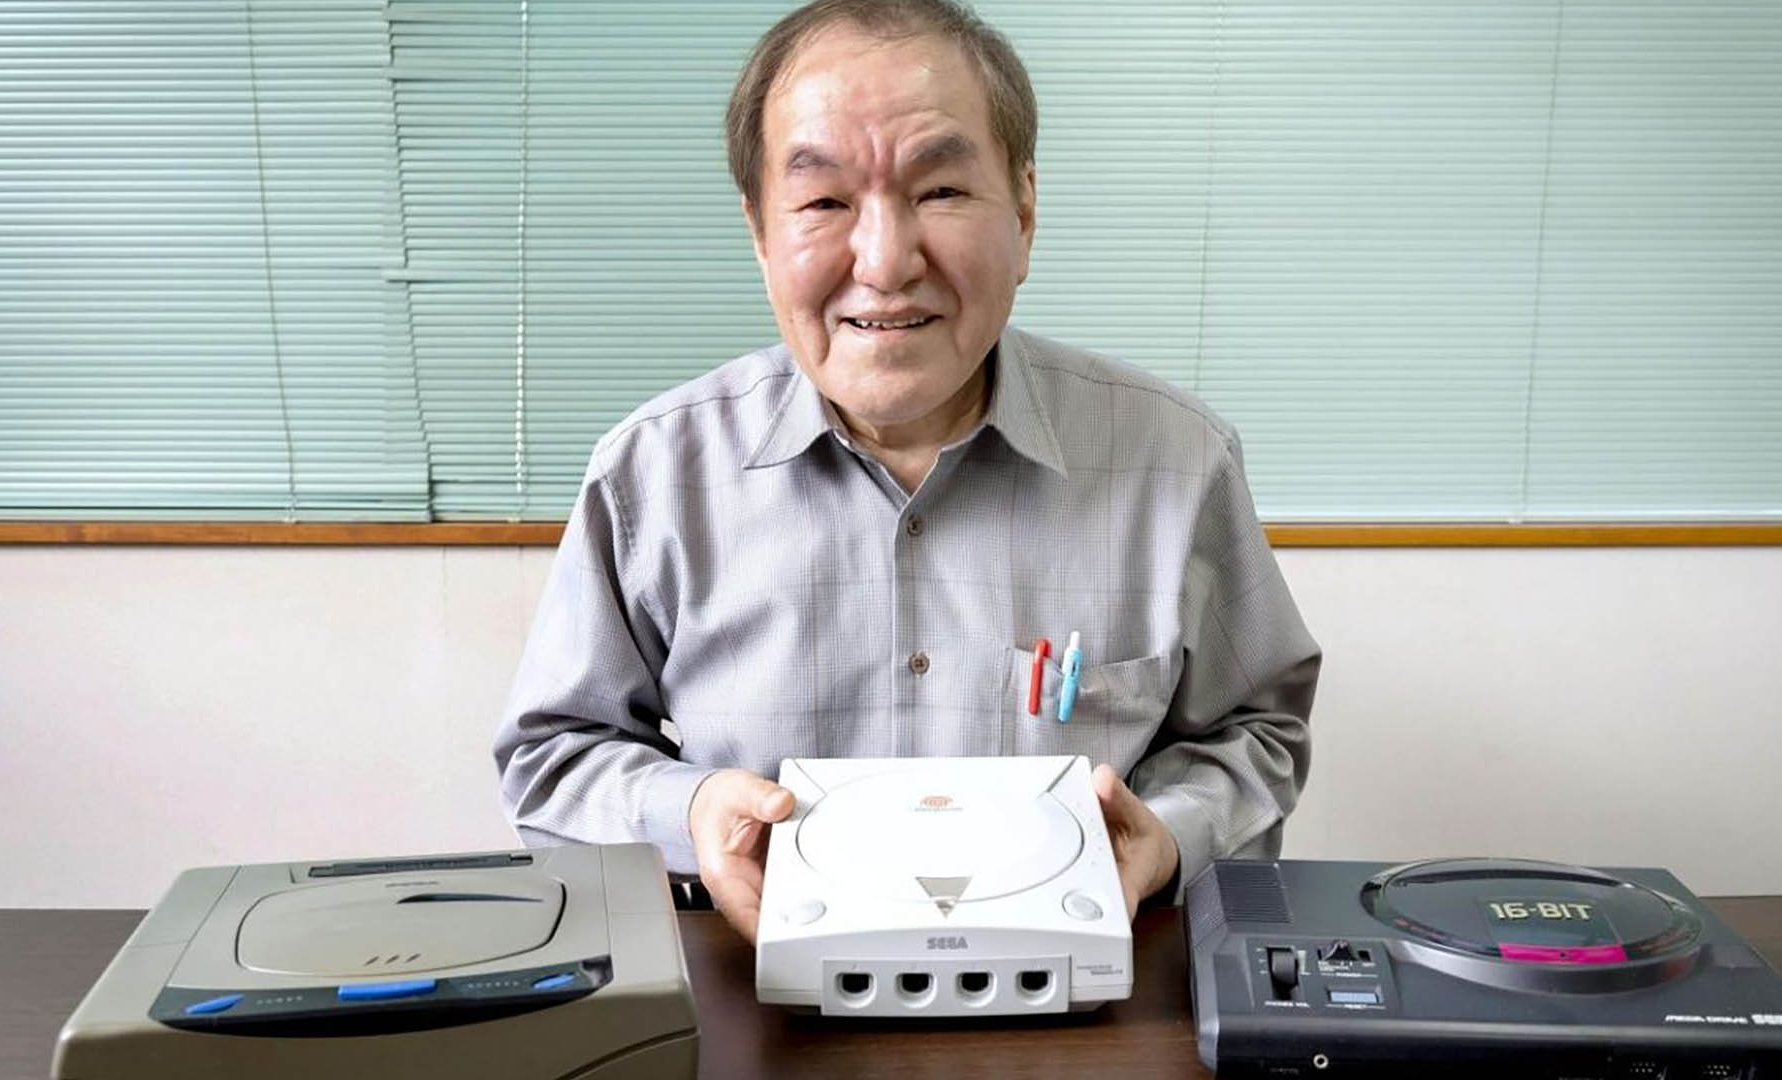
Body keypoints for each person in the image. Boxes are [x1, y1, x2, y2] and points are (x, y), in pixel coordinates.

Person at [494, 0, 1320, 944]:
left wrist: (1165, 837)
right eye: (823, 202)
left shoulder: (1175, 459)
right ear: (760, 230)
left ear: (1024, 213)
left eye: (941, 191)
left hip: (1082, 981)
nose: (885, 264)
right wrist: (690, 811)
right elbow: (555, 756)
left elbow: (1255, 731)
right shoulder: (653, 474)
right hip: (758, 988)